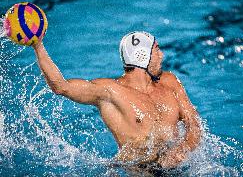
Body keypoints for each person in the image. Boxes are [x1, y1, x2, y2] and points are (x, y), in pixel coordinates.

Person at [32, 31, 201, 170]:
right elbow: (61, 87)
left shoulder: (170, 82)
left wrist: (180, 152)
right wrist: (38, 45)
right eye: (156, 50)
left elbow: (194, 125)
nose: (162, 55)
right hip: (142, 171)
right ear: (143, 56)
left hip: (180, 168)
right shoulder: (110, 92)